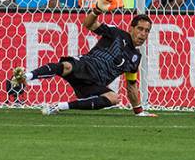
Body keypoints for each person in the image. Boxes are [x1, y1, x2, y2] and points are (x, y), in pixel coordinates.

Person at [12, 7, 155, 117]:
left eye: (147, 31)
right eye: (140, 29)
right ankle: (27, 76)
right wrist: (96, 11)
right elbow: (89, 24)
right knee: (66, 66)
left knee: (113, 98)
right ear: (131, 28)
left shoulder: (135, 58)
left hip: (94, 84)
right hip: (86, 66)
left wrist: (139, 111)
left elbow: (131, 87)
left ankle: (59, 107)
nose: (143, 34)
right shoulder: (117, 33)